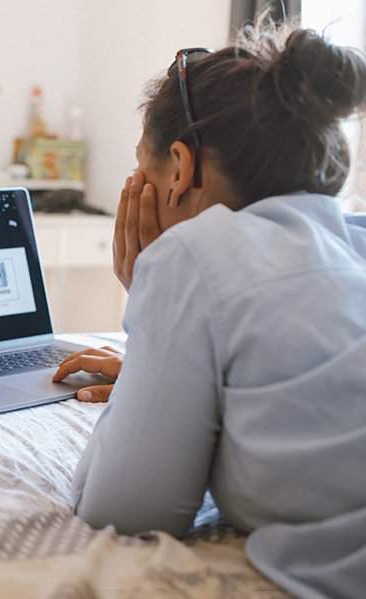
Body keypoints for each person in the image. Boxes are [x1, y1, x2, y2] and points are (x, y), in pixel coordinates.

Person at [51, 23, 366, 599]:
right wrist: (166, 359)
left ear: (180, 167)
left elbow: (122, 509)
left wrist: (149, 303)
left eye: (139, 167)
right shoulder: (353, 241)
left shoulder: (193, 258)